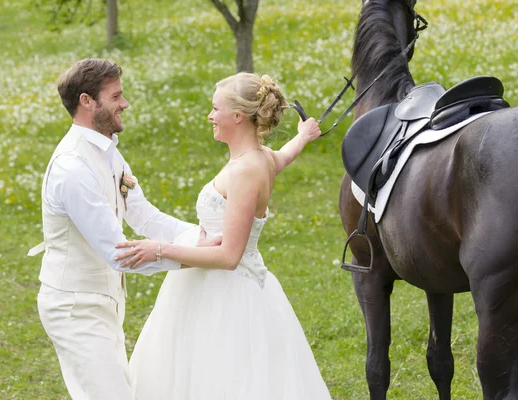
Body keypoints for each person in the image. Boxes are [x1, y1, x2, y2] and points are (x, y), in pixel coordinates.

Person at [116, 72, 332, 399]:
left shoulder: (247, 171)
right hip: (203, 287)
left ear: (237, 116)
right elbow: (284, 156)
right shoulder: (262, 158)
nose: (210, 116)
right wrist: (303, 135)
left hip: (228, 295)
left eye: (216, 109)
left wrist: (160, 249)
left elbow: (230, 256)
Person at [29, 58, 215, 400]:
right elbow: (120, 254)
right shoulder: (73, 168)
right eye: (116, 97)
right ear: (87, 101)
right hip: (75, 307)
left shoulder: (109, 153)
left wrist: (201, 236)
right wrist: (198, 257)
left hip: (106, 301)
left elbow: (145, 217)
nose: (125, 104)